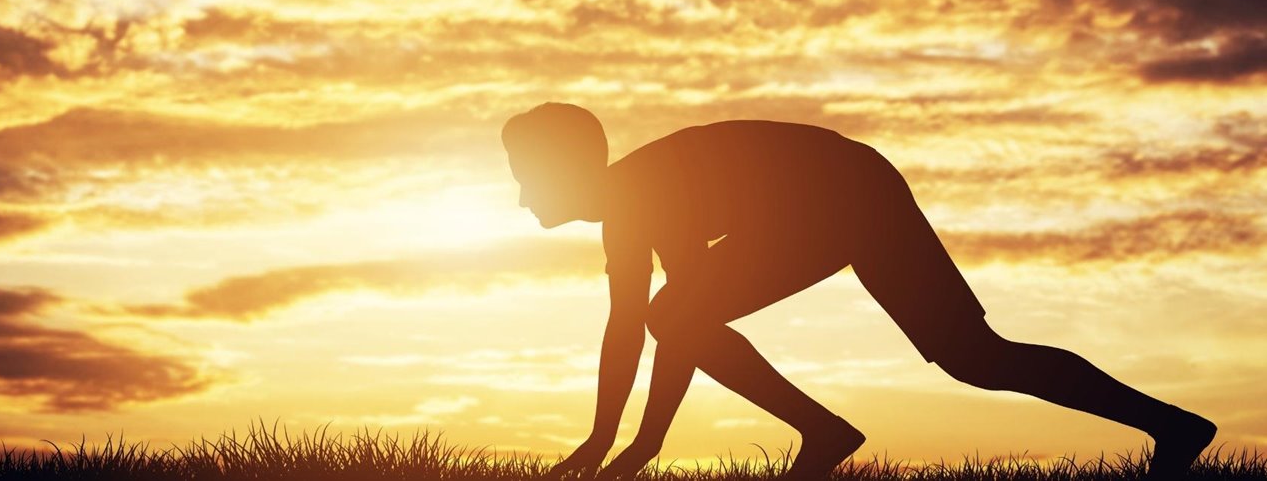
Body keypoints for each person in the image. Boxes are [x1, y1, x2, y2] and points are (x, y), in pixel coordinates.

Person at [500, 102, 1216, 481]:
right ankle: (1177, 429)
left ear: (569, 168)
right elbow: (641, 331)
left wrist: (632, 447)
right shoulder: (626, 210)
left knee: (972, 355)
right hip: (844, 188)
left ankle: (824, 433)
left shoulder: (643, 193)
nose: (522, 197)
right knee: (976, 358)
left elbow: (667, 325)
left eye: (528, 176)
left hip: (847, 190)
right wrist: (616, 444)